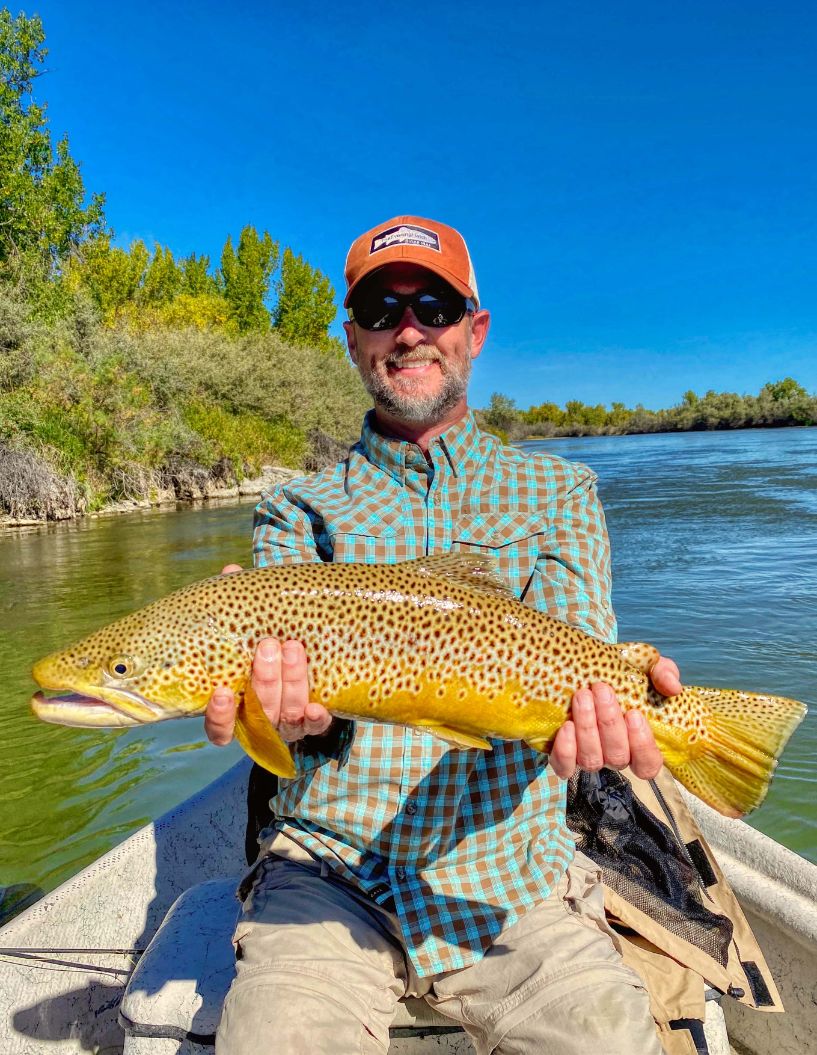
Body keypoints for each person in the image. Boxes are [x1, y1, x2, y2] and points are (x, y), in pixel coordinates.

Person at [205, 215, 685, 1055]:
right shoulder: (295, 510)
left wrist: (605, 724)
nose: (409, 329)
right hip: (325, 876)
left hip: (514, 882)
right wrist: (281, 721)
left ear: (474, 329)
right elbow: (287, 723)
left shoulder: (558, 492)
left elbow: (580, 662)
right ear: (351, 338)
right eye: (381, 310)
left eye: (433, 304)